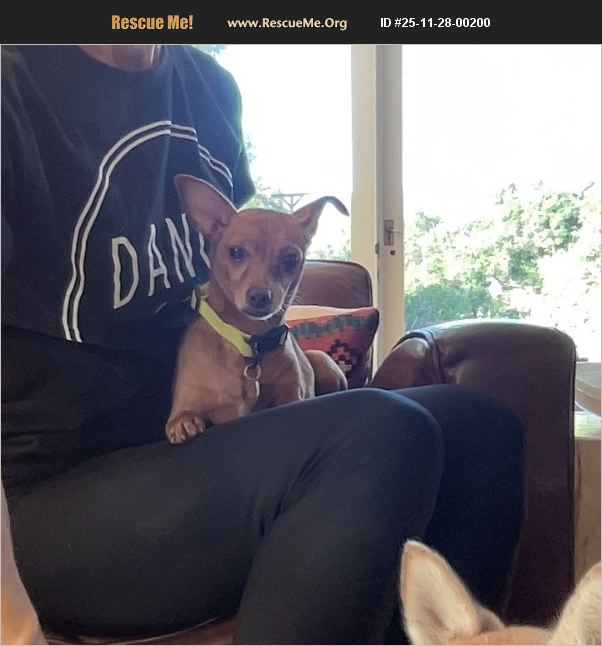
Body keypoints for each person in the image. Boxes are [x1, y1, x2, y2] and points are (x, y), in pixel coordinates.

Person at [1, 45, 525, 644]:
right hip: (52, 493)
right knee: (380, 433)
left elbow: (247, 269)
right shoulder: (15, 80)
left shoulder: (206, 85)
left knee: (479, 425)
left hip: (193, 453)